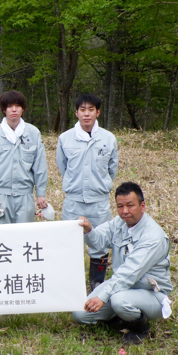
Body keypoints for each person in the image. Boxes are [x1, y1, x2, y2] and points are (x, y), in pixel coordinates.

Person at [72, 182, 172, 344]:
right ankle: (121, 318)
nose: (125, 211)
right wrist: (89, 230)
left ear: (143, 206)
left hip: (150, 294)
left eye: (130, 205)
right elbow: (98, 242)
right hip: (121, 286)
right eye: (120, 206)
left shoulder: (153, 237)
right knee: (80, 314)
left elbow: (129, 273)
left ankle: (140, 327)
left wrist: (103, 296)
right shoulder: (119, 223)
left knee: (119, 300)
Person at [56, 93, 118, 290]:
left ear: (97, 112)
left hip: (99, 202)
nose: (86, 114)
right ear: (76, 113)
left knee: (99, 245)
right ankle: (70, 286)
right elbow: (62, 167)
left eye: (91, 109)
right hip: (73, 201)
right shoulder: (65, 138)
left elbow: (112, 169)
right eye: (82, 110)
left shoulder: (108, 138)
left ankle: (96, 284)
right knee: (70, 245)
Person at [0, 90, 48, 224]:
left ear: (23, 108)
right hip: (2, 195)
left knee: (24, 238)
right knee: (2, 237)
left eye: (17, 106)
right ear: (3, 109)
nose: (14, 110)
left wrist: (40, 193)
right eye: (9, 106)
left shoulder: (33, 133)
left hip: (25, 195)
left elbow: (40, 166)